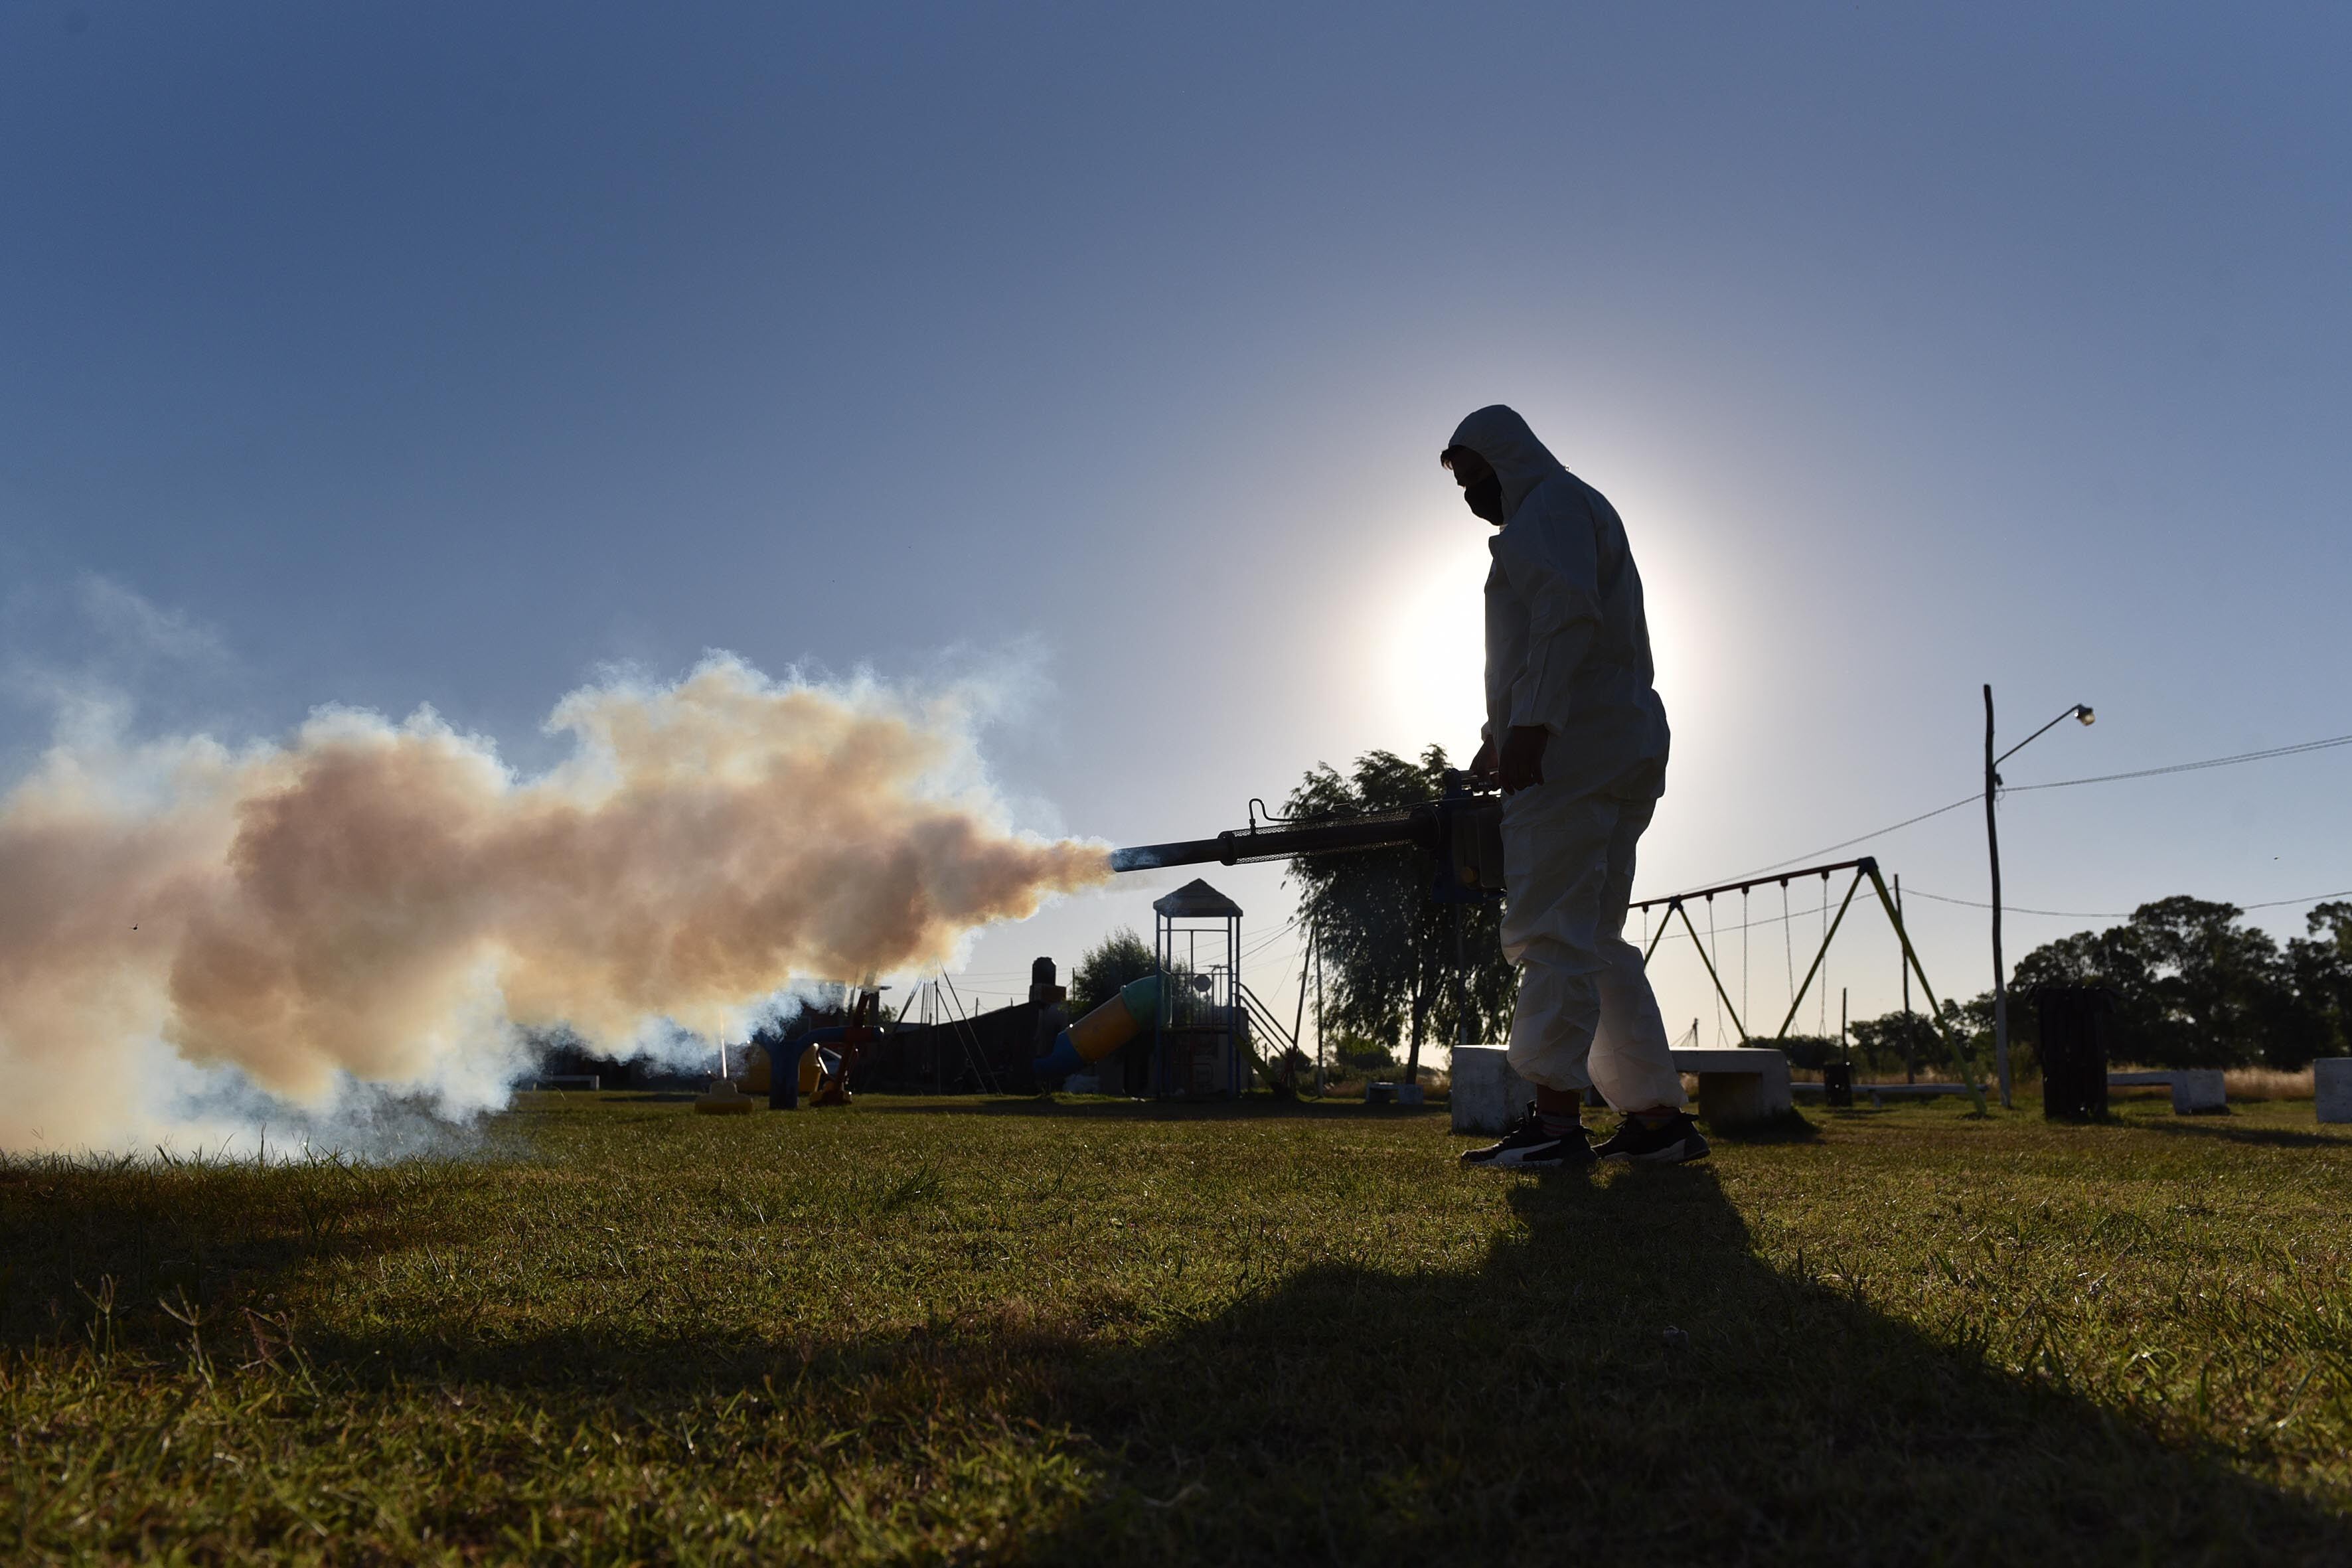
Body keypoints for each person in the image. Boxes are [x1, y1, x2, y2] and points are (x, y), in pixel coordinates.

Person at [1444, 404, 1707, 1168]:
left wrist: (1535, 732)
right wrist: (1500, 740)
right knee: (1595, 939)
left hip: (1575, 752)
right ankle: (1659, 1120)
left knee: (1551, 932)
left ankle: (1555, 1126)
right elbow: (1553, 644)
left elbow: (1566, 617)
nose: (1469, 497)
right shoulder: (1579, 505)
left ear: (1502, 459)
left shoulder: (1548, 507)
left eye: (1472, 478)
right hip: (1618, 744)